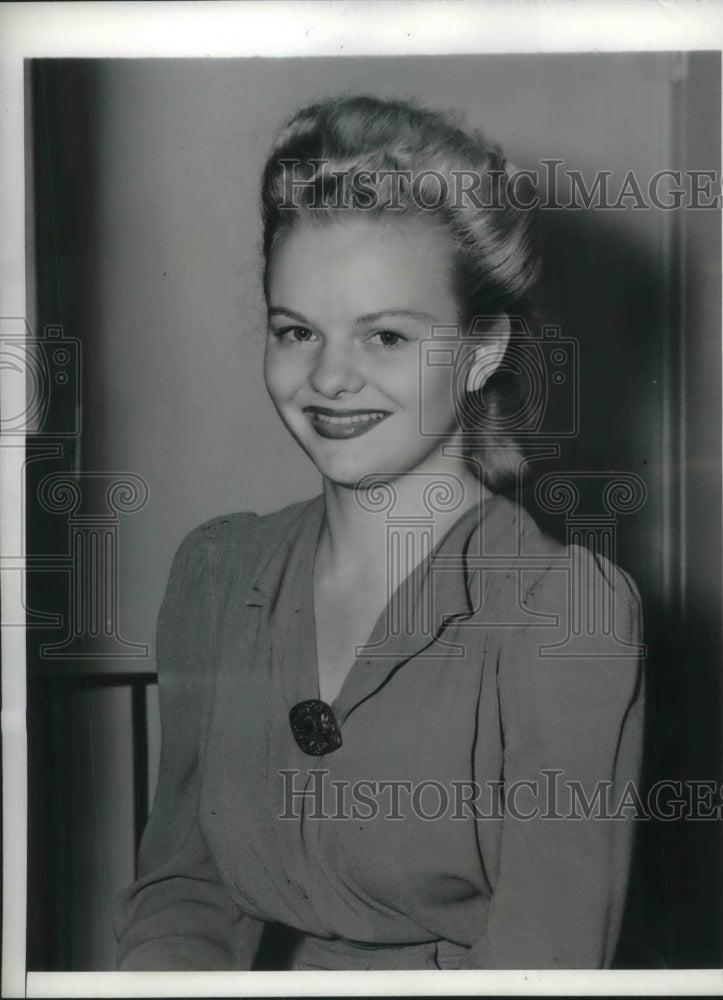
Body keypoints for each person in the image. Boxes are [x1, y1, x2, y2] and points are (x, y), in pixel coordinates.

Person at [113, 95, 645, 971]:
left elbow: (545, 961)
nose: (327, 378)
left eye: (386, 336)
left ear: (480, 351)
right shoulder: (217, 575)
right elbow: (184, 892)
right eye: (296, 332)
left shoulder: (562, 611)